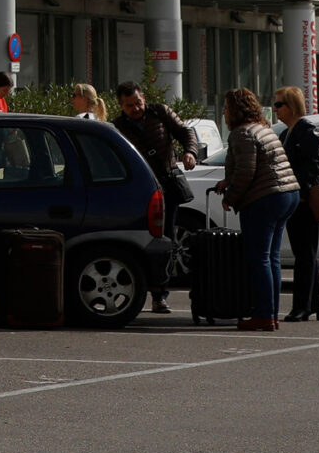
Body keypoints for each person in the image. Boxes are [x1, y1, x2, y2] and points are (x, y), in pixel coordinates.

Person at [212, 87, 299, 332]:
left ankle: (263, 315)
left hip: (265, 198)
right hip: (287, 194)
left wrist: (230, 196)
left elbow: (246, 172)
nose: (225, 113)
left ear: (237, 111)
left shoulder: (242, 133)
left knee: (258, 258)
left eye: (227, 108)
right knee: (271, 258)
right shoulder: (264, 129)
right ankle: (271, 313)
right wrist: (228, 182)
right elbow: (259, 164)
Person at [113, 83, 199, 315]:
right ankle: (140, 292)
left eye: (138, 103)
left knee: (166, 241)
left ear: (144, 98)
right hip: (140, 191)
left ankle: (159, 295)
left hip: (167, 187)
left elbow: (185, 132)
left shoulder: (159, 112)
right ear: (121, 105)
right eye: (129, 105)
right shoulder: (117, 127)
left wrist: (190, 151)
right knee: (142, 242)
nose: (136, 108)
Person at [272, 86, 319, 323]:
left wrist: (302, 191)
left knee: (304, 254)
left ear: (292, 106)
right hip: (293, 199)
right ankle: (315, 302)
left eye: (279, 104)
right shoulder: (286, 133)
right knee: (304, 252)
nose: (275, 109)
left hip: (304, 200)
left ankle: (302, 306)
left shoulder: (306, 130)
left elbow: (316, 165)